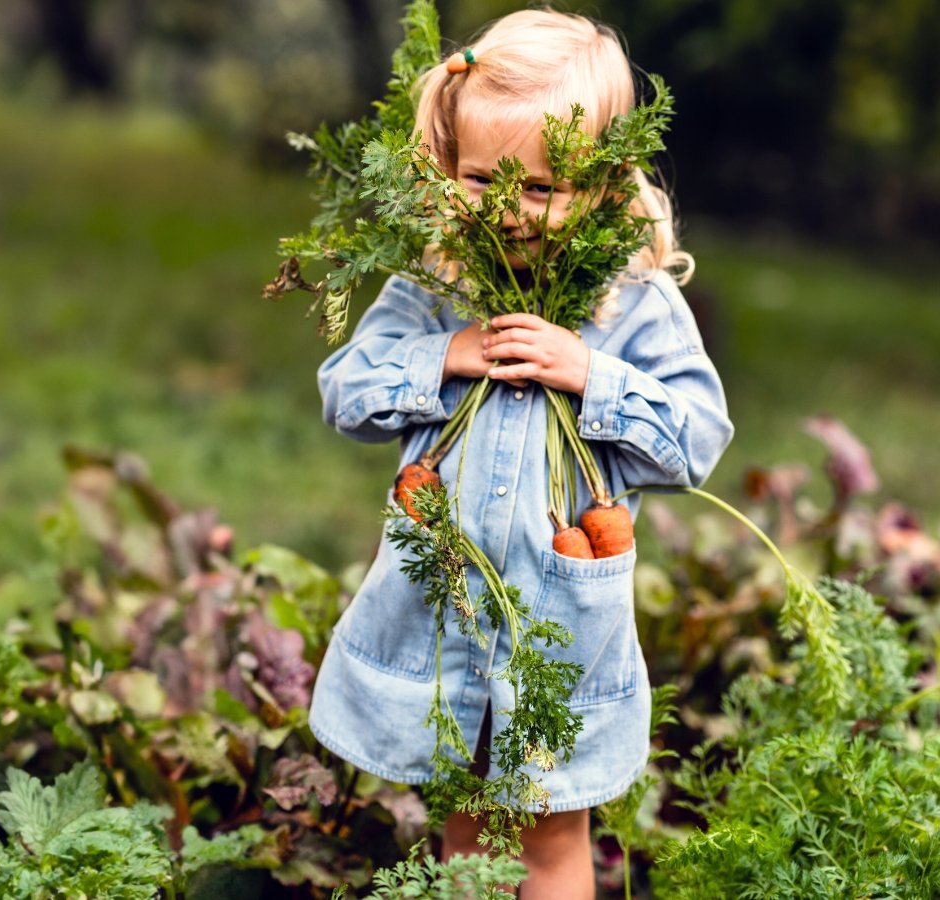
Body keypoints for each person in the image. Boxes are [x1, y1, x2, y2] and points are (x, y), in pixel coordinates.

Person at [305, 9, 733, 897]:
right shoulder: (433, 286)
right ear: (446, 168)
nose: (509, 211)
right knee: (467, 821)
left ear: (608, 187)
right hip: (447, 613)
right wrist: (442, 357)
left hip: (560, 633)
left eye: (542, 188)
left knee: (547, 834)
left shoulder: (631, 305)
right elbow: (345, 393)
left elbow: (697, 440)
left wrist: (591, 374)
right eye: (480, 179)